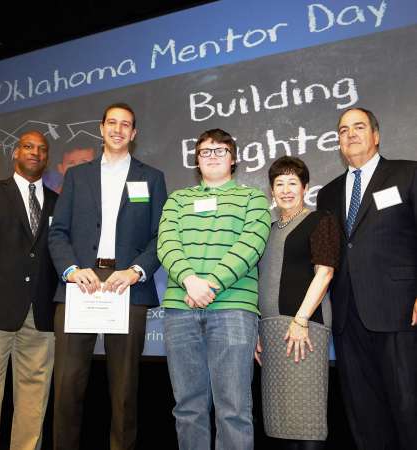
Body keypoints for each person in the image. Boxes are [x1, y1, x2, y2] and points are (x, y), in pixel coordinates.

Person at [48, 102, 167, 450]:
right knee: (67, 385)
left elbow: (161, 235)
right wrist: (71, 270)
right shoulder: (77, 176)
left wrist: (135, 271)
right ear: (101, 129)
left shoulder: (152, 177)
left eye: (125, 124)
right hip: (79, 284)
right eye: (111, 123)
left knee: (125, 388)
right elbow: (58, 233)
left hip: (127, 285)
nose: (118, 129)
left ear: (134, 134)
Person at [157, 128, 270, 450]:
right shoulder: (177, 200)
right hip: (181, 308)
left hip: (233, 309)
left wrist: (213, 283)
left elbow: (252, 243)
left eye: (220, 150)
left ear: (233, 158)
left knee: (233, 407)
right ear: (196, 159)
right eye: (206, 151)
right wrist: (190, 281)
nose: (213, 156)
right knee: (187, 407)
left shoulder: (253, 198)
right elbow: (167, 244)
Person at [317, 107, 417, 450]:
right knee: (364, 414)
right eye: (343, 130)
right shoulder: (328, 193)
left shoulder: (408, 174)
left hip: (400, 312)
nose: (350, 134)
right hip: (348, 317)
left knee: (409, 406)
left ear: (376, 135)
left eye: (358, 127)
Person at [0, 131, 58, 450]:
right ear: (15, 153)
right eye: (28, 147)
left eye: (42, 149)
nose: (35, 152)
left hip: (42, 317)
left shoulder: (58, 203)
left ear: (47, 159)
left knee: (35, 404)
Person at [256, 156, 340, 450]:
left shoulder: (320, 220)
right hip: (271, 333)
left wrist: (301, 319)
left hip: (303, 330)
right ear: (272, 191)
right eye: (279, 184)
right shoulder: (266, 229)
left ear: (305, 187)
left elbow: (325, 272)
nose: (286, 189)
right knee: (280, 426)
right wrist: (258, 331)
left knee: (308, 423)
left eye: (293, 182)